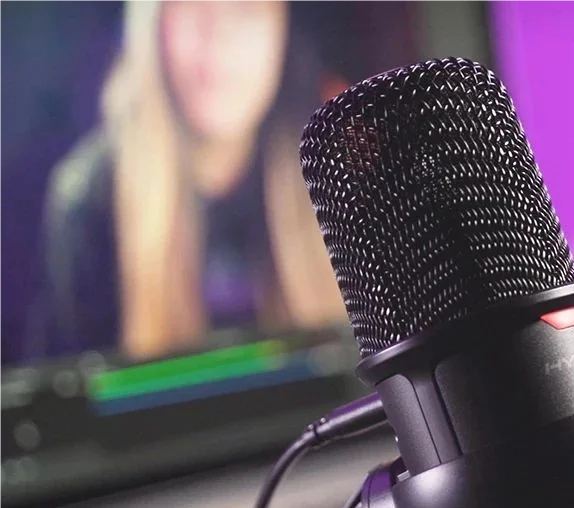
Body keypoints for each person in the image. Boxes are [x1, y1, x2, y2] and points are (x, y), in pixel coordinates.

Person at [28, 0, 345, 362]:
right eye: (193, 3)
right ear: (151, 22)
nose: (219, 33)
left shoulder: (337, 175)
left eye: (247, 8)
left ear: (285, 29)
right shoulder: (87, 200)